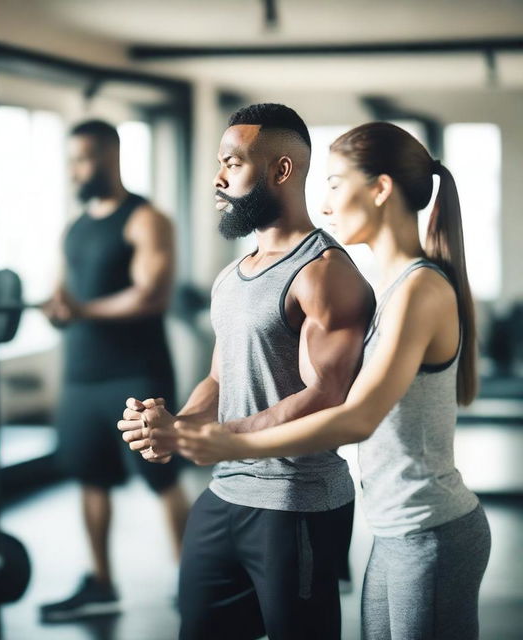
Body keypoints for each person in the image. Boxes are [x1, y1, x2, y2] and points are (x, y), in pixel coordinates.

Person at [173, 122, 492, 640]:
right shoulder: (391, 287)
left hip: (430, 530)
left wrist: (228, 439)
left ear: (380, 189)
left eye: (335, 184)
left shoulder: (419, 289)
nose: (323, 205)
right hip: (393, 528)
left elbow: (357, 417)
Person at [118, 104, 375, 639]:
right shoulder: (232, 277)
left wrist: (209, 437)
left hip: (294, 500)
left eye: (232, 163)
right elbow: (219, 378)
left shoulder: (324, 274)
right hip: (223, 495)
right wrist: (177, 423)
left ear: (281, 171)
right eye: (220, 162)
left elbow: (328, 395)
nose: (218, 177)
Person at [39, 119, 189, 622]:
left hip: (135, 374)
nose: (75, 171)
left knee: (161, 478)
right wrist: (60, 309)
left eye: (83, 159)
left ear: (110, 156)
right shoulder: (75, 227)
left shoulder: (145, 219)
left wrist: (83, 310)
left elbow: (153, 295)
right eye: (71, 161)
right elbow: (67, 294)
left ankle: (192, 579)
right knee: (90, 478)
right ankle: (101, 582)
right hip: (82, 373)